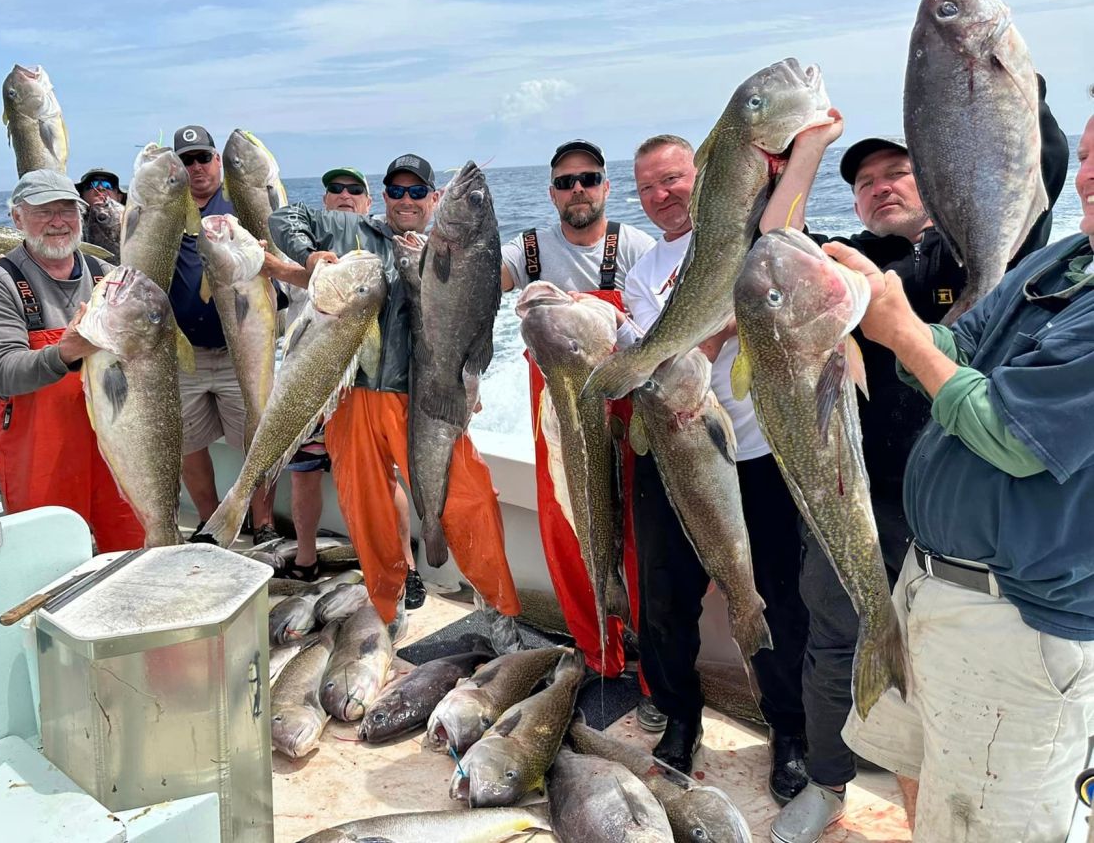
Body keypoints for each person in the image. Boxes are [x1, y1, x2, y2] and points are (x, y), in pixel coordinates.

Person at [767, 85, 1069, 843]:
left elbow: (1042, 173)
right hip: (848, 490)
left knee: (949, 673)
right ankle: (828, 781)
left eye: (896, 172)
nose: (879, 187)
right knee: (834, 640)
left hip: (959, 513)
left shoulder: (980, 250)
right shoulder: (850, 265)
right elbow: (769, 250)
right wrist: (807, 150)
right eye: (864, 181)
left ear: (936, 180)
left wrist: (1001, 91)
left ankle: (938, 802)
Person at [622, 134, 812, 798]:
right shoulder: (643, 273)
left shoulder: (749, 236)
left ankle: (789, 731)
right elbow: (667, 360)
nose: (661, 196)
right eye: (647, 188)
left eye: (671, 179)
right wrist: (721, 319)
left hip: (759, 454)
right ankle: (679, 718)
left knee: (779, 601)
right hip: (677, 449)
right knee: (664, 602)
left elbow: (781, 277)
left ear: (700, 177)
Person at [270, 153, 521, 643]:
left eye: (416, 191)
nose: (406, 200)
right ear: (383, 196)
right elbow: (285, 217)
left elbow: (475, 324)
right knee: (367, 509)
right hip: (352, 396)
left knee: (469, 501)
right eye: (396, 191)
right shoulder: (351, 231)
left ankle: (497, 608)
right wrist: (307, 255)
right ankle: (386, 606)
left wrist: (469, 383)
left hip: (423, 400)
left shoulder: (452, 253)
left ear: (434, 198)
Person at [500, 138, 655, 678]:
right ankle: (598, 652)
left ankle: (648, 647)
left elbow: (656, 326)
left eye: (588, 178)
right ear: (552, 194)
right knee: (566, 529)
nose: (578, 190)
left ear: (606, 187)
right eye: (565, 182)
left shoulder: (633, 245)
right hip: (556, 411)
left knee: (634, 529)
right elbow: (479, 283)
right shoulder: (529, 249)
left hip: (622, 407)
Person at [0, 169, 144, 551]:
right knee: (47, 559)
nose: (57, 222)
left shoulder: (109, 277)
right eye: (43, 211)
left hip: (115, 446)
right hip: (41, 452)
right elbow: (1, 373)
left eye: (66, 210)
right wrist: (66, 352)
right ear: (17, 218)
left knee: (133, 550)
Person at [283, 166, 415, 595]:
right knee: (303, 472)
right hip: (311, 384)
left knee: (384, 479)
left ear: (368, 201)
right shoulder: (309, 238)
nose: (343, 195)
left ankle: (405, 564)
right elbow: (280, 226)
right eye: (334, 189)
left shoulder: (381, 243)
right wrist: (304, 261)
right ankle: (305, 558)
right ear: (324, 201)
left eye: (353, 190)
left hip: (363, 391)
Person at [168, 124, 281, 544]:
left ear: (218, 161)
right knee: (188, 443)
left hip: (243, 349)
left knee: (258, 434)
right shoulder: (167, 211)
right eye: (186, 160)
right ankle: (208, 521)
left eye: (203, 158)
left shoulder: (245, 202)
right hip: (186, 354)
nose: (195, 167)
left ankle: (263, 522)